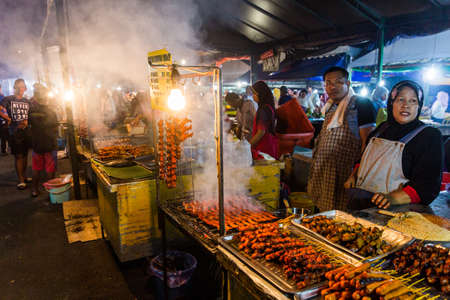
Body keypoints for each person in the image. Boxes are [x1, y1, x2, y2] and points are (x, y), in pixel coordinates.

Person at [345, 80, 443, 209]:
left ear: (419, 106)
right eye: (400, 99)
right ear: (391, 103)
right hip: (360, 203)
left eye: (413, 101)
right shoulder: (381, 129)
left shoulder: (429, 136)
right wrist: (354, 175)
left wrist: (392, 198)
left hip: (394, 211)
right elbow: (363, 158)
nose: (406, 105)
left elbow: (428, 185)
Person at [307, 66, 376, 211]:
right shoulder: (330, 107)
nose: (332, 87)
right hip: (325, 172)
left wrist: (356, 173)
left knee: (343, 213)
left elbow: (368, 143)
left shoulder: (361, 104)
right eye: (328, 83)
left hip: (346, 172)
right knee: (324, 212)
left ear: (348, 84)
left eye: (338, 82)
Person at [0, 79, 32, 189]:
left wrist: (27, 121)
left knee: (25, 155)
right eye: (19, 86)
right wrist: (8, 119)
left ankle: (24, 176)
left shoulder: (27, 101)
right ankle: (21, 180)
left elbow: (30, 114)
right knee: (18, 156)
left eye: (23, 86)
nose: (21, 88)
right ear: (15, 87)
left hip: (26, 131)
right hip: (14, 132)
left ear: (25, 88)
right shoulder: (8, 99)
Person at [29, 85, 58, 197]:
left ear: (35, 97)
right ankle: (51, 192)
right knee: (50, 170)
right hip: (50, 144)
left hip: (37, 145)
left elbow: (29, 126)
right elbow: (55, 128)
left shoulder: (31, 112)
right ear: (46, 98)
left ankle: (34, 190)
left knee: (36, 169)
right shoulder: (51, 112)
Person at [249, 81, 278, 160]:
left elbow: (261, 132)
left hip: (263, 149)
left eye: (254, 94)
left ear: (260, 94)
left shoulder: (263, 110)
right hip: (271, 145)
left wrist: (248, 146)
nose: (253, 96)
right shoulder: (270, 107)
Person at [0, 84, 8, 155]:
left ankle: (3, 150)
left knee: (3, 135)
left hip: (2, 118)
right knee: (3, 136)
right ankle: (3, 150)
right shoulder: (2, 97)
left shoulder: (3, 97)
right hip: (2, 118)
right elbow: (5, 108)